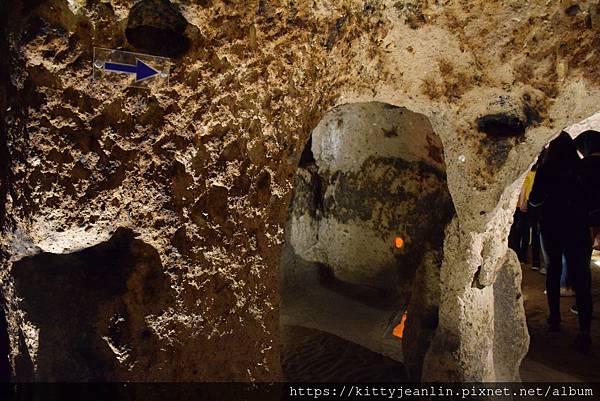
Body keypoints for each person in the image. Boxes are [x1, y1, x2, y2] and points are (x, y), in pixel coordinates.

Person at [528, 132, 593, 352]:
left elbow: (535, 200)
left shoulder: (547, 170)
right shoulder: (581, 169)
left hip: (552, 228)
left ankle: (554, 320)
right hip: (578, 228)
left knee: (553, 271)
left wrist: (535, 212)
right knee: (582, 276)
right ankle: (584, 330)